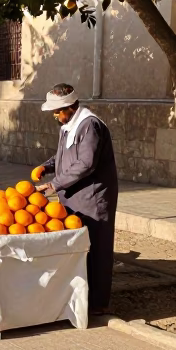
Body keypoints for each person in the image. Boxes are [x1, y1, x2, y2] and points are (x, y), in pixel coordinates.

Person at [35, 83, 119, 315]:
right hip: (73, 197)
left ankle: (98, 303)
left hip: (91, 199)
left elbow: (86, 163)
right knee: (80, 250)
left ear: (70, 107)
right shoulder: (68, 125)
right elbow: (64, 154)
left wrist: (54, 184)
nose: (54, 115)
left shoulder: (90, 125)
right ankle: (80, 298)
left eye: (57, 111)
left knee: (97, 250)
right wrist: (47, 166)